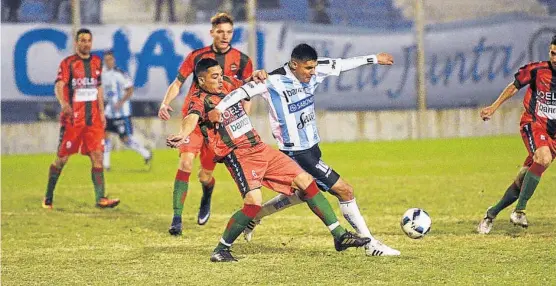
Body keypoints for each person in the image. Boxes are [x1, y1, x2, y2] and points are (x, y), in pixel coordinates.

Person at [167, 58, 371, 262]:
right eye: (214, 77)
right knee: (253, 204)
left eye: (221, 74)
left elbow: (249, 84)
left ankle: (339, 236)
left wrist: (258, 74)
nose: (220, 79)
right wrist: (183, 133)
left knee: (306, 181)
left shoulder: (228, 83)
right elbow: (190, 119)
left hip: (260, 147)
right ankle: (221, 249)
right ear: (201, 80)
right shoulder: (198, 99)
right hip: (239, 155)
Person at [208, 43, 400, 256]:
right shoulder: (273, 80)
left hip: (312, 147)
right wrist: (219, 108)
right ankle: (370, 244)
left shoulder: (316, 70)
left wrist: (374, 58)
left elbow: (343, 64)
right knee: (345, 190)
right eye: (308, 68)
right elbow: (243, 91)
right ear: (294, 64)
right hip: (296, 152)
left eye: (314, 67)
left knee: (302, 194)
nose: (313, 72)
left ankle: (255, 216)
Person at [158, 12, 253, 234]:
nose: (225, 36)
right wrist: (165, 103)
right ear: (212, 33)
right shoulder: (197, 56)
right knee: (186, 163)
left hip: (218, 126)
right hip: (194, 117)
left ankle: (207, 193)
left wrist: (242, 119)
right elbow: (178, 82)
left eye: (229, 32)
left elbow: (247, 93)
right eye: (220, 32)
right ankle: (177, 219)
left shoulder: (242, 60)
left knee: (205, 175)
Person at [477, 35, 556, 234]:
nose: (555, 58)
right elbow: (514, 87)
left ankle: (491, 214)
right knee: (543, 158)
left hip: (553, 136)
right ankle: (519, 211)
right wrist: (494, 108)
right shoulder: (537, 70)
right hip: (534, 124)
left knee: (524, 180)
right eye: (553, 53)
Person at [42, 28, 120, 209]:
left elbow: (98, 88)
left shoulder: (96, 62)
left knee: (97, 157)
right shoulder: (68, 63)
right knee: (61, 159)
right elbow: (59, 85)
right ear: (76, 43)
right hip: (73, 121)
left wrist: (101, 111)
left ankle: (101, 198)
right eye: (82, 40)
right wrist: (64, 104)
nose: (86, 43)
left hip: (93, 121)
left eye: (88, 40)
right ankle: (48, 196)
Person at [102, 51, 152, 171]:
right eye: (106, 59)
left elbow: (130, 89)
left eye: (110, 59)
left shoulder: (120, 74)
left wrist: (121, 102)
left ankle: (146, 153)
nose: (108, 62)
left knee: (125, 139)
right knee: (105, 135)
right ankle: (106, 164)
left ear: (113, 60)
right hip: (109, 111)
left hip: (122, 112)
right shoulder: (102, 74)